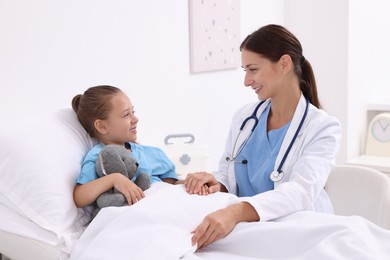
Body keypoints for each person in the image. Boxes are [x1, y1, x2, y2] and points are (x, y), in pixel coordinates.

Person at [184, 24, 341, 249]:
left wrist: (235, 212)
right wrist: (215, 182)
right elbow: (229, 176)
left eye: (253, 69)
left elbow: (300, 192)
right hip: (246, 231)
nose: (246, 81)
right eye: (245, 71)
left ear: (284, 64)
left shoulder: (323, 128)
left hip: (296, 233)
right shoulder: (245, 118)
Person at [72, 85, 181, 209]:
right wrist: (114, 179)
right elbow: (79, 197)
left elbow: (173, 188)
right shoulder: (98, 156)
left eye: (133, 112)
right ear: (102, 126)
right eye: (126, 115)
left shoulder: (154, 153)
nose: (135, 119)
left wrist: (194, 183)